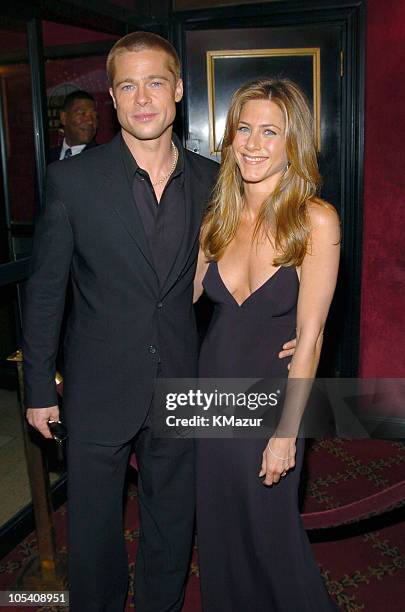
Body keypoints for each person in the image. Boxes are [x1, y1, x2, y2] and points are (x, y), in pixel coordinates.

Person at [22, 33, 296, 611]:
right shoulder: (73, 182)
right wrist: (40, 386)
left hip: (182, 378)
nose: (142, 98)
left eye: (154, 83)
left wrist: (293, 325)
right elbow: (46, 291)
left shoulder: (215, 181)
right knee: (94, 535)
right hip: (97, 384)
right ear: (114, 99)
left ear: (177, 91)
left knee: (172, 525)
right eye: (127, 85)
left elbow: (267, 245)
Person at [193, 78, 340, 611]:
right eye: (243, 130)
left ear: (292, 142)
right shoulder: (216, 219)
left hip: (272, 403)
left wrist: (287, 435)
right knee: (221, 535)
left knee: (273, 540)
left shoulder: (315, 221)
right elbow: (170, 304)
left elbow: (312, 337)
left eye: (269, 131)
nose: (252, 143)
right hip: (211, 399)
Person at [48, 90, 98, 162]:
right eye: (82, 113)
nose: (90, 121)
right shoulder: (47, 158)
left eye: (94, 115)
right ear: (64, 118)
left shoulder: (102, 159)